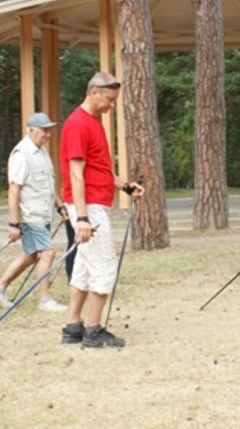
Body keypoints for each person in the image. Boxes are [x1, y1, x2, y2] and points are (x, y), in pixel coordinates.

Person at [59, 72, 145, 348]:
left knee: (84, 267)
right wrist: (82, 218)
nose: (111, 106)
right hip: (89, 208)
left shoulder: (94, 123)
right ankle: (94, 331)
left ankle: (73, 327)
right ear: (94, 92)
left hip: (95, 204)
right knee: (104, 267)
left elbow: (100, 169)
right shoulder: (77, 124)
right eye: (108, 99)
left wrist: (125, 186)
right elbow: (75, 173)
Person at [0, 113, 67, 312]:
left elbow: (49, 183)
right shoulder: (21, 154)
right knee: (48, 252)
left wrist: (60, 206)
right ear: (30, 130)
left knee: (32, 255)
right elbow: (14, 191)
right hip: (31, 216)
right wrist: (14, 224)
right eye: (44, 130)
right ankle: (44, 299)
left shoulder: (42, 152)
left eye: (49, 130)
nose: (48, 134)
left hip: (43, 213)